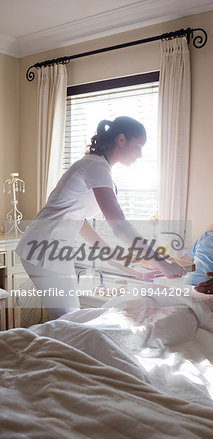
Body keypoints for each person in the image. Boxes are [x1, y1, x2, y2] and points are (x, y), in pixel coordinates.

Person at [16, 116, 185, 319]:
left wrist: (110, 252)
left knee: (69, 317)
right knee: (68, 319)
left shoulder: (100, 168)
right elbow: (119, 226)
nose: (140, 154)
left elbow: (79, 220)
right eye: (138, 146)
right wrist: (161, 262)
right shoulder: (95, 167)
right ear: (121, 140)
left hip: (55, 247)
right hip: (42, 247)